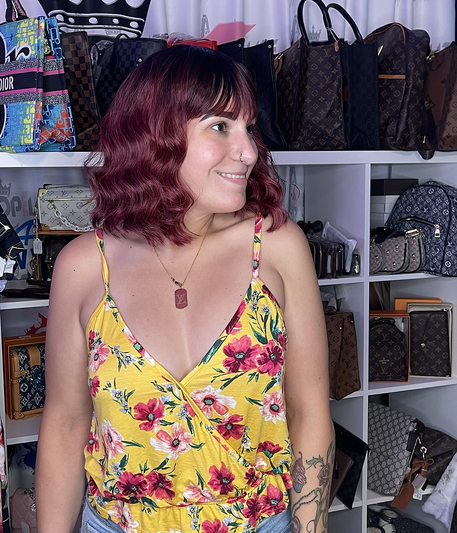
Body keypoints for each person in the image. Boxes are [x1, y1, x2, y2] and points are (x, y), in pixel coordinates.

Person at [35, 45, 334, 533]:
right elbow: (66, 425)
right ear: (156, 135)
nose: (249, 151)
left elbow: (309, 411)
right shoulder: (84, 267)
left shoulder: (276, 247)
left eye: (248, 128)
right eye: (220, 126)